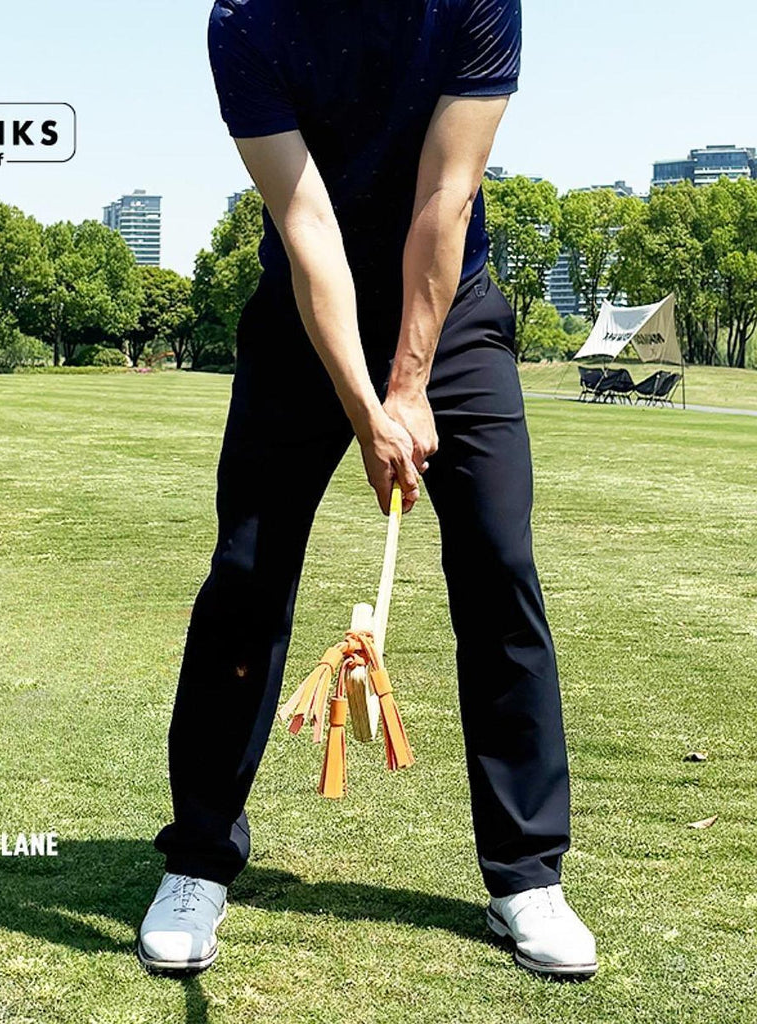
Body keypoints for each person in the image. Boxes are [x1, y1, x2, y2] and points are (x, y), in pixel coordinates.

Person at [138, 0, 597, 979]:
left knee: (499, 563)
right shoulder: (247, 21)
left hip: (450, 304)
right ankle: (199, 859)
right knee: (246, 573)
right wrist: (363, 404)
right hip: (303, 313)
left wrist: (408, 384)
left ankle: (526, 875)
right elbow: (305, 221)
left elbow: (448, 192)